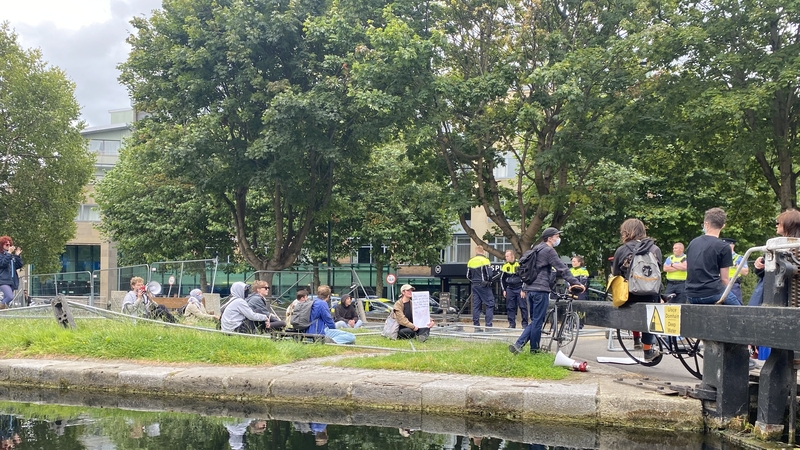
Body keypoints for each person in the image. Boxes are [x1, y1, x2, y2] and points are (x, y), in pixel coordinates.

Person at [509, 227, 585, 354]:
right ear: (550, 238)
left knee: (535, 320)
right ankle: (530, 349)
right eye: (556, 236)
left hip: (530, 289)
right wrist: (576, 283)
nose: (558, 239)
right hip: (540, 289)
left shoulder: (536, 248)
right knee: (538, 321)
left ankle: (522, 346)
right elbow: (562, 269)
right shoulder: (549, 251)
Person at [610, 218, 664, 362]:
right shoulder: (655, 249)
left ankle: (635, 339)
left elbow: (616, 273)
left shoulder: (622, 250)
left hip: (630, 294)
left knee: (628, 310)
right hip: (652, 292)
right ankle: (648, 350)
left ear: (625, 232)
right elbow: (659, 271)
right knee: (650, 317)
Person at [685, 208, 741, 305]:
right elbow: (724, 279)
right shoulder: (723, 247)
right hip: (712, 292)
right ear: (723, 226)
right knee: (740, 311)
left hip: (691, 294)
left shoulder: (693, 243)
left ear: (706, 224)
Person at [467, 245, 496, 330]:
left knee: (476, 306)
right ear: (483, 251)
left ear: (476, 251)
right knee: (490, 304)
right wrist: (489, 281)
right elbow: (489, 274)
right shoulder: (485, 260)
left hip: (474, 285)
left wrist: (474, 281)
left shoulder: (470, 261)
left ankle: (476, 326)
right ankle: (488, 326)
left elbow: (468, 275)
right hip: (484, 285)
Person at [500, 250, 528, 328]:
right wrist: (504, 290)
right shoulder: (505, 266)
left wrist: (523, 289)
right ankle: (512, 324)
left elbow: (525, 278)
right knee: (510, 307)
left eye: (507, 256)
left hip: (519, 288)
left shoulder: (520, 264)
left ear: (512, 256)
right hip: (510, 289)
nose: (506, 258)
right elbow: (502, 279)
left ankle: (525, 324)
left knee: (523, 306)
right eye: (505, 256)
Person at [721, 238, 749, 303]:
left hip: (733, 285)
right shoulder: (720, 257)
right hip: (720, 285)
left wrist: (736, 266)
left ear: (732, 245)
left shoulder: (739, 258)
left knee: (736, 306)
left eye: (726, 245)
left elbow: (745, 272)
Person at [0, 236, 22, 310]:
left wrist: (17, 256)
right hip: (3, 279)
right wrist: (9, 253)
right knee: (10, 296)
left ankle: (3, 315)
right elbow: (3, 263)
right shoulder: (2, 255)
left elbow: (18, 265)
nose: (9, 246)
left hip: (12, 279)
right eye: (6, 245)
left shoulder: (11, 256)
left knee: (7, 300)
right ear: (1, 245)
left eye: (10, 244)